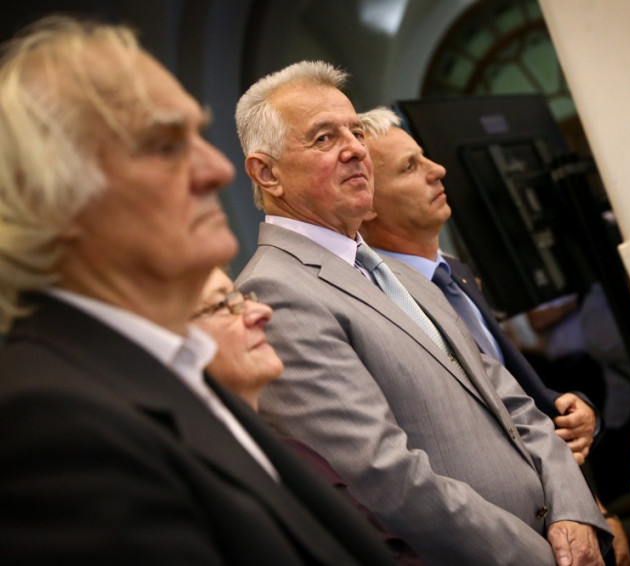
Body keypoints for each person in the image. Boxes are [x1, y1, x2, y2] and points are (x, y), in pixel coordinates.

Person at [0, 16, 398, 565]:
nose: (217, 169)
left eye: (199, 136)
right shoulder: (48, 422)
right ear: (50, 190)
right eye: (165, 146)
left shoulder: (168, 367)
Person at [234, 59, 612, 566]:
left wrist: (575, 512)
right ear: (267, 173)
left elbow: (515, 404)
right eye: (324, 138)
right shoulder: (275, 291)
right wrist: (543, 556)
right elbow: (384, 477)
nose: (355, 149)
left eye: (355, 131)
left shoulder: (397, 270)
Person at [357, 106, 630, 566]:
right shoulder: (387, 306)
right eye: (409, 167)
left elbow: (517, 402)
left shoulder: (455, 274)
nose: (437, 169)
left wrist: (577, 427)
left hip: (566, 510)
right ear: (366, 203)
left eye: (424, 156)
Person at [192, 267, 426, 566]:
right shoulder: (206, 481)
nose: (262, 312)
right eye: (224, 305)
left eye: (242, 297)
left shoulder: (297, 453)